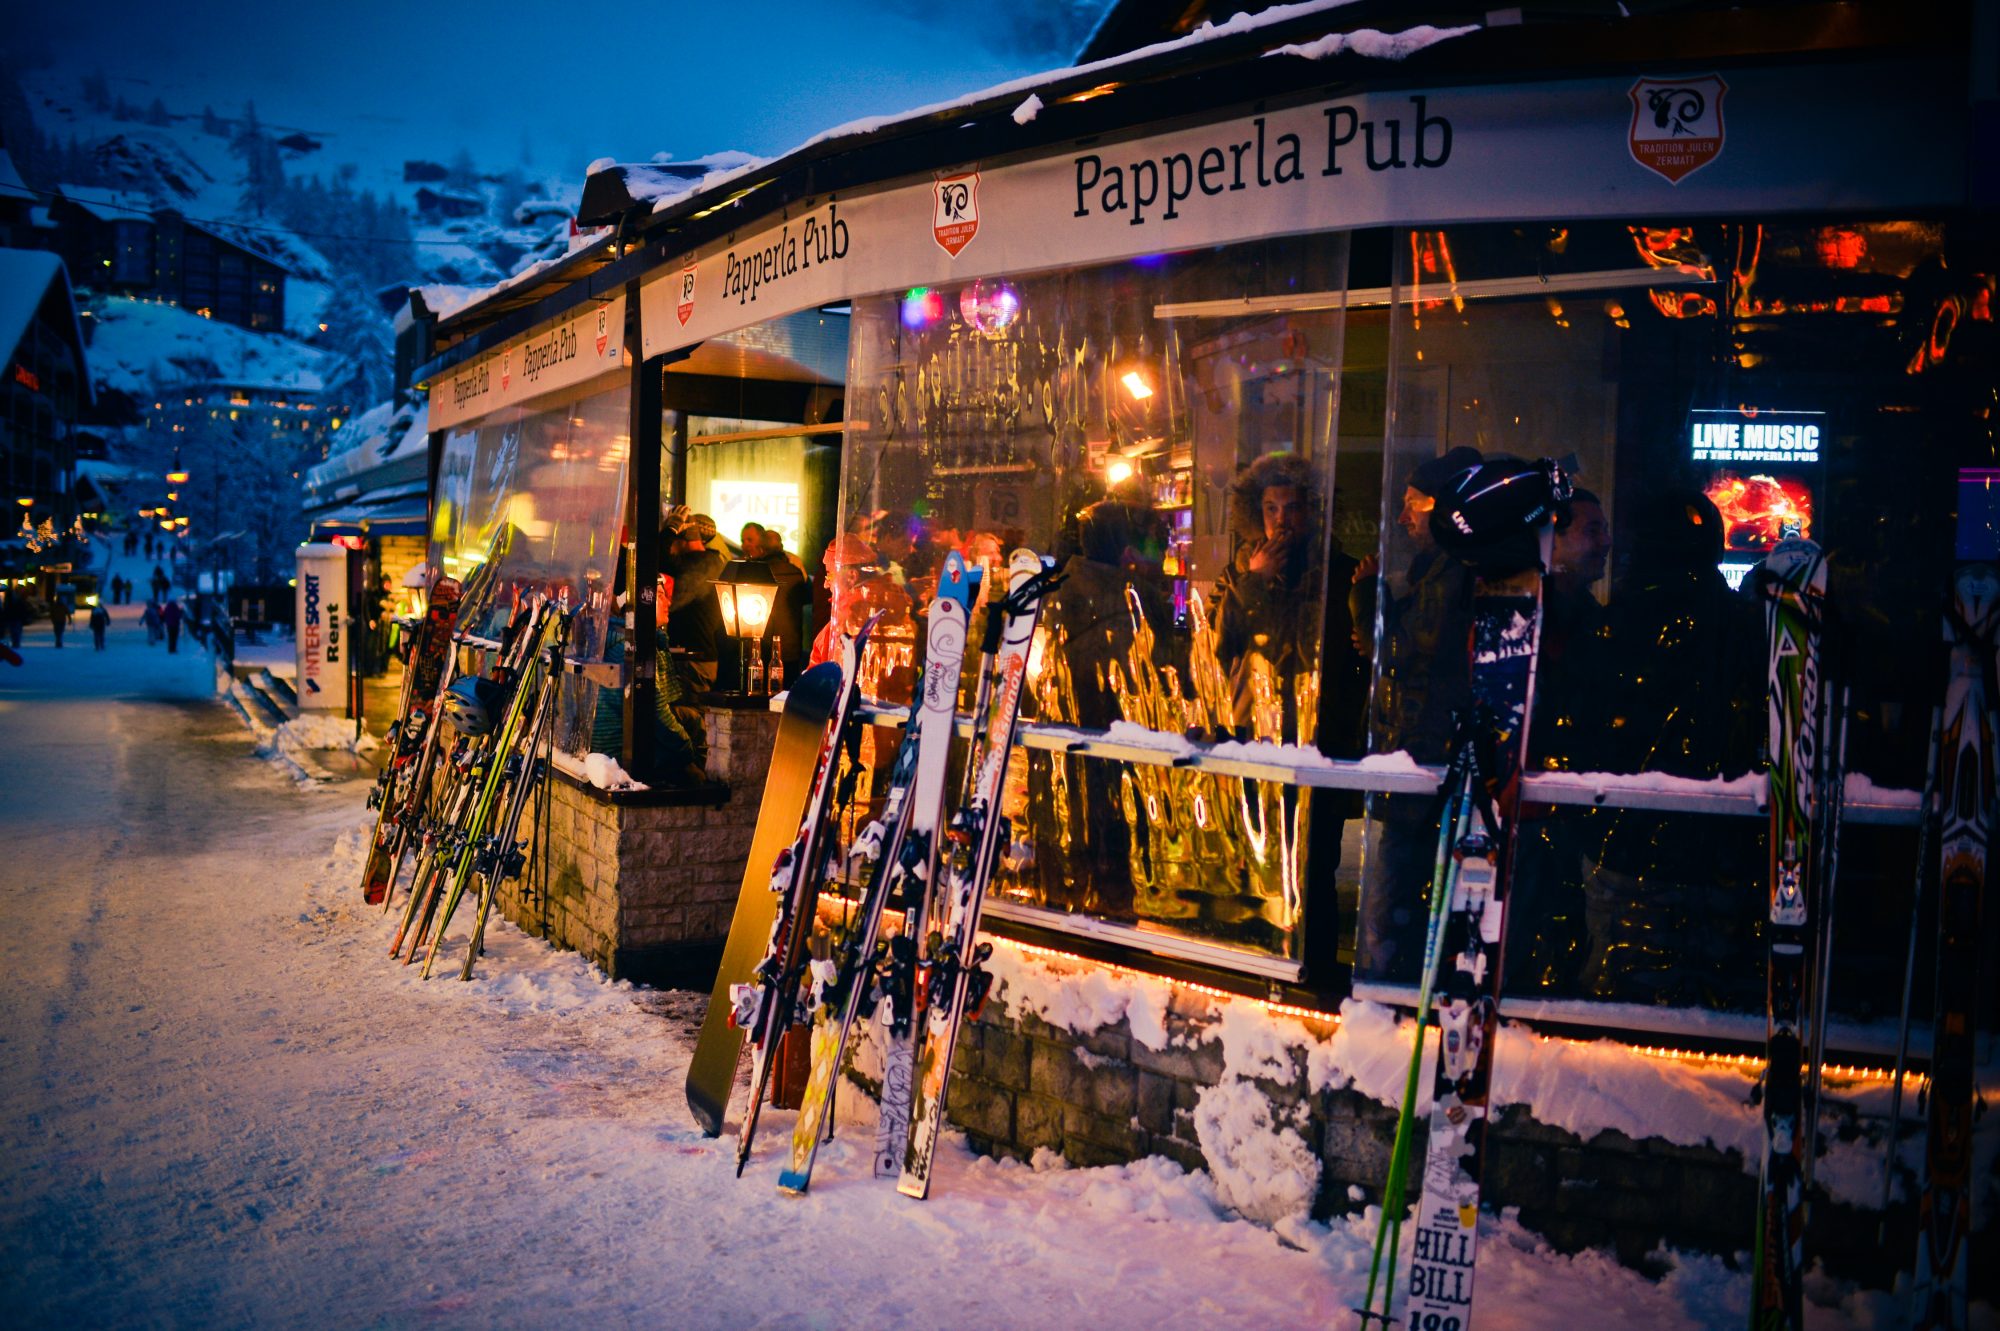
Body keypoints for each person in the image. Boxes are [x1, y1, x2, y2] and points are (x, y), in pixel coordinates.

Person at [1353, 445, 1482, 983]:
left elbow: (1400, 653)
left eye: (1415, 503)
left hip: (1423, 766)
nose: (1405, 517)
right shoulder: (1439, 572)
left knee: (1394, 898)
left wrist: (1365, 597)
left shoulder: (1453, 575)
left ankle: (1388, 997)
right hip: (1417, 766)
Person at [1208, 450, 1360, 744]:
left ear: (1311, 511)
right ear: (1256, 513)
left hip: (1319, 732)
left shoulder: (1341, 574)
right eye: (1271, 509)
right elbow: (1218, 647)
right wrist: (1254, 580)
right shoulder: (1236, 574)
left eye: (1292, 508)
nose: (1281, 520)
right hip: (1250, 731)